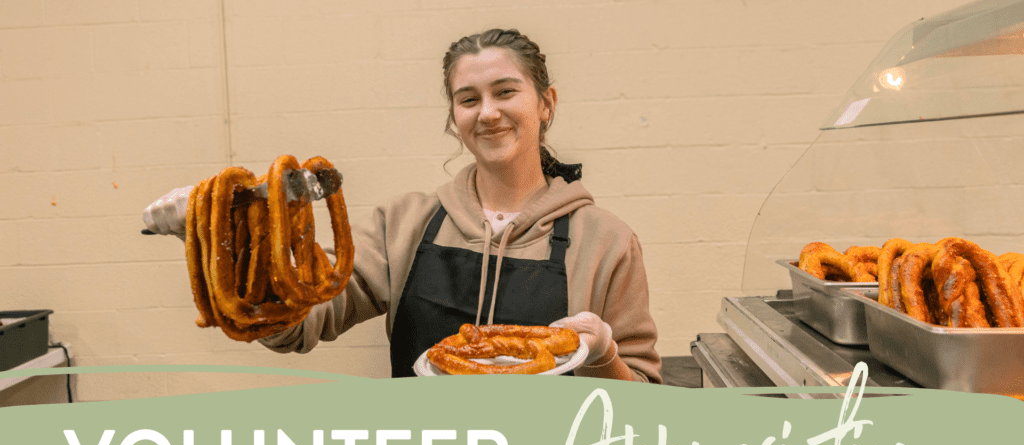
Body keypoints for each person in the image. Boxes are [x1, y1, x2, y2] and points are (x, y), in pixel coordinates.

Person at [144, 28, 661, 383]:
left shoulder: (606, 240)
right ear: (454, 113)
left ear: (546, 102)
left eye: (506, 91)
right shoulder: (405, 223)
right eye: (468, 98)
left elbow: (642, 398)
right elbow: (298, 326)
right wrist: (225, 237)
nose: (488, 113)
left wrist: (604, 353)